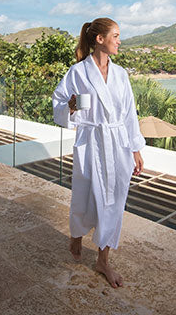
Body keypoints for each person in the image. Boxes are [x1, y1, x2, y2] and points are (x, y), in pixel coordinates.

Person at [52, 17, 145, 288]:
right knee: (84, 193)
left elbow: (129, 114)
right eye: (115, 35)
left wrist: (136, 149)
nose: (119, 40)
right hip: (91, 139)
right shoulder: (78, 72)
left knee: (115, 200)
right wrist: (70, 107)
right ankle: (77, 234)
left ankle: (103, 260)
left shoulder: (121, 74)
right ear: (100, 39)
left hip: (118, 143)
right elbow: (60, 103)